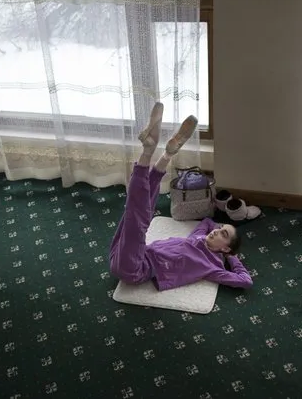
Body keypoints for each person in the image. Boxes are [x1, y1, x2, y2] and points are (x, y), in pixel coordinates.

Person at [108, 102, 253, 292]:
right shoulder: (197, 237)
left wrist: (231, 256)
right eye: (220, 228)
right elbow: (209, 221)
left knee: (137, 218)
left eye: (223, 234)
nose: (217, 231)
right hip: (129, 253)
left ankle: (148, 151)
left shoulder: (212, 267)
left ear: (225, 248)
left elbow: (245, 280)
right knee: (135, 211)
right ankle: (167, 154)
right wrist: (220, 232)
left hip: (135, 269)